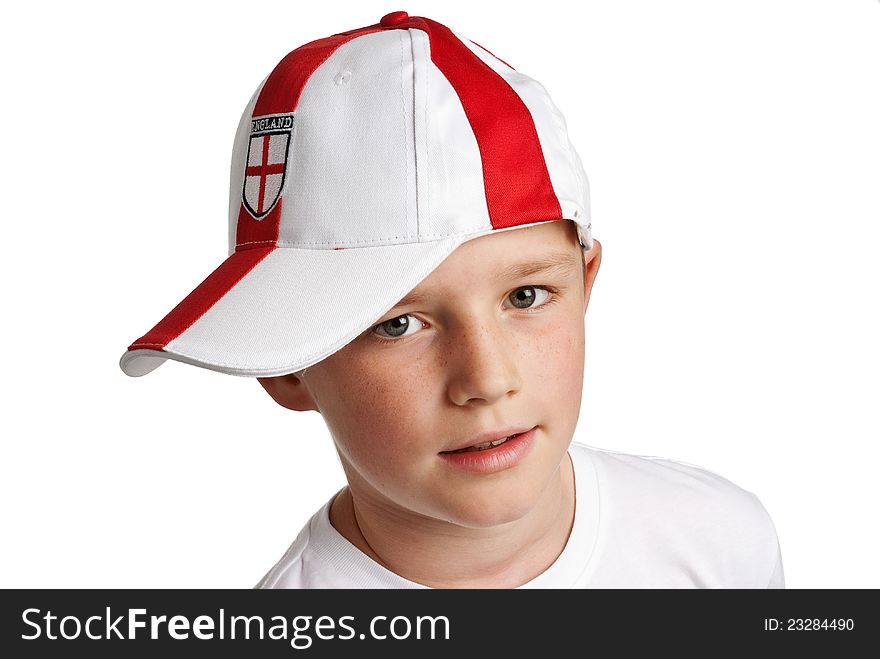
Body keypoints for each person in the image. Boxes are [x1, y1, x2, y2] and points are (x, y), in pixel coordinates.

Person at [120, 11, 784, 589]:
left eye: (525, 295)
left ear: (586, 285)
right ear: (287, 364)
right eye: (398, 323)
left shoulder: (721, 543)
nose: (486, 379)